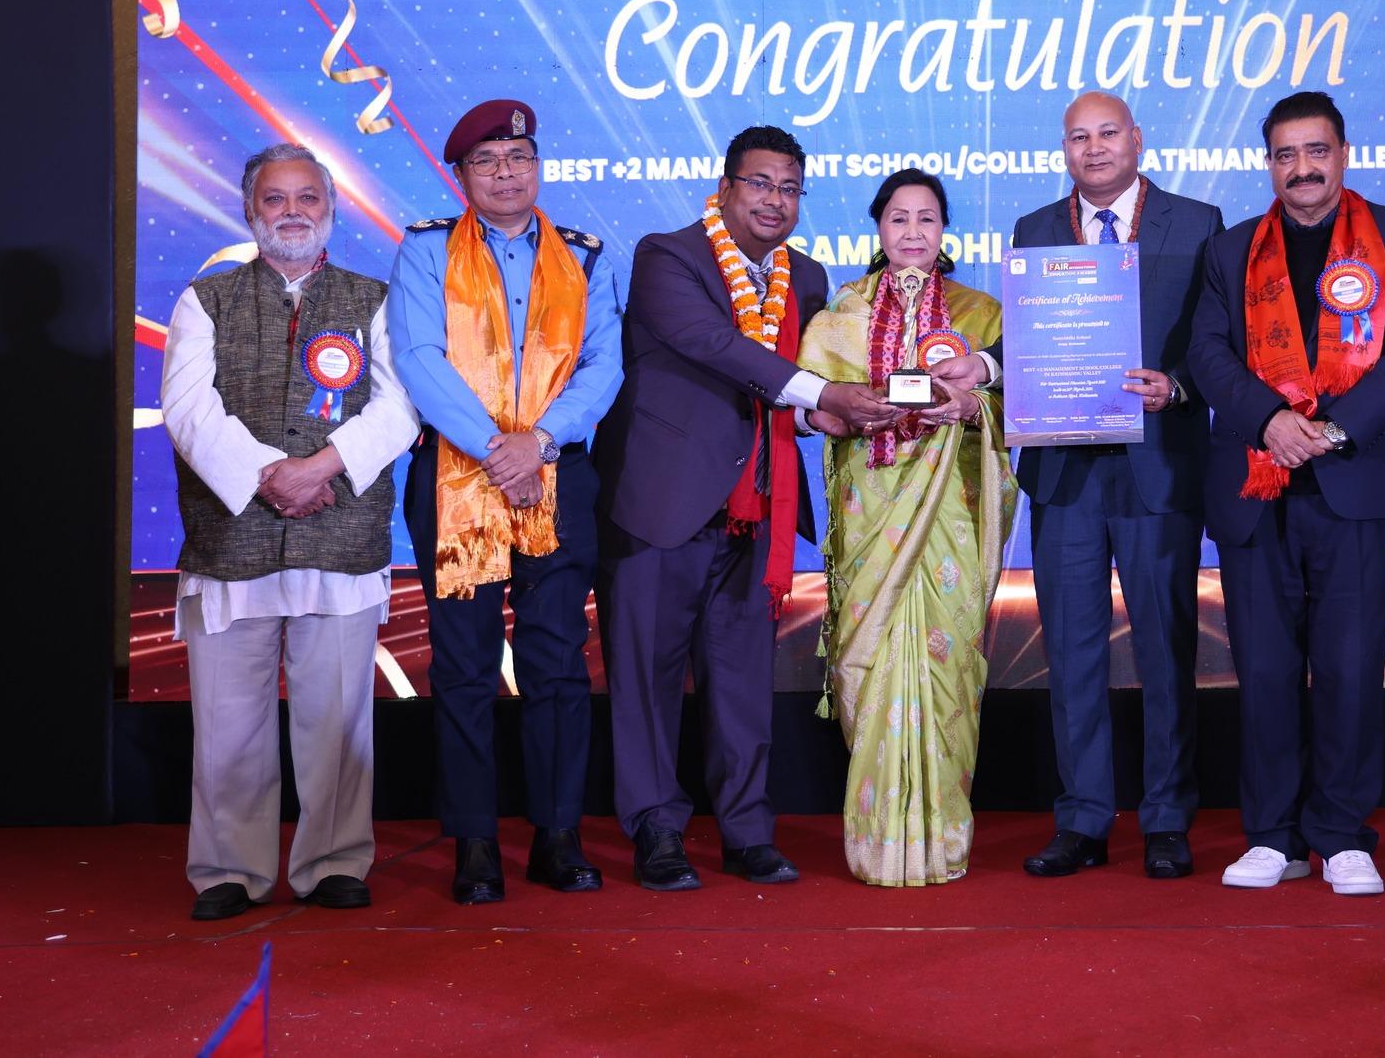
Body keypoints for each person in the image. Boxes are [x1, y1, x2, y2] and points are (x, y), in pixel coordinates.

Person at [595, 126, 897, 891]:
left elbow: (796, 391)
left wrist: (836, 410)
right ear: (726, 186)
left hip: (757, 509)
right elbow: (715, 345)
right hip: (662, 504)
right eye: (760, 183)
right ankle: (657, 830)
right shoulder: (668, 256)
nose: (775, 200)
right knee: (647, 678)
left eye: (790, 188)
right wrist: (822, 392)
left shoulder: (809, 277)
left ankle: (747, 831)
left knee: (741, 681)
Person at [161, 143, 419, 921]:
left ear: (331, 209)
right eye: (276, 198)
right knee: (227, 723)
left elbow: (401, 406)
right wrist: (270, 474)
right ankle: (227, 870)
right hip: (232, 541)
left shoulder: (375, 298)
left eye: (309, 197)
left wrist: (320, 469)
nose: (293, 211)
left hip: (339, 538)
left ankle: (333, 862)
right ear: (250, 210)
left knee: (336, 718)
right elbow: (188, 409)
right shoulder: (205, 299)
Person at [1188, 90, 1385, 894]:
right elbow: (1207, 354)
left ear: (1344, 154)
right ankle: (1274, 834)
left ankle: (1343, 833)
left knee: (1349, 664)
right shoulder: (1230, 249)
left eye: (1316, 150)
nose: (1302, 168)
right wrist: (1271, 422)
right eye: (1286, 154)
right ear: (1269, 164)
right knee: (1264, 667)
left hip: (1351, 481)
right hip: (1256, 484)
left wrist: (1329, 430)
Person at [389, 99, 624, 905]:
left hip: (558, 475)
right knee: (463, 666)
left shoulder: (585, 257)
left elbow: (603, 365)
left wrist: (540, 443)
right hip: (457, 476)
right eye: (486, 161)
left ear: (538, 167)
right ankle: (475, 841)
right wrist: (501, 449)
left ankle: (558, 834)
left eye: (519, 157)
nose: (505, 173)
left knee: (557, 660)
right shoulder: (425, 251)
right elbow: (419, 357)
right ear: (460, 175)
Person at [1002, 93, 1224, 880]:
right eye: (1078, 137)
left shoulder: (1197, 222)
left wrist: (1179, 384)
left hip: (1157, 463)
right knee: (1071, 653)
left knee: (1166, 648)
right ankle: (1083, 818)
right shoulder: (1034, 229)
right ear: (1063, 148)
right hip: (1065, 472)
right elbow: (1022, 340)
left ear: (1137, 139)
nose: (1093, 148)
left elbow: (1219, 340)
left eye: (1107, 133)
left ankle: (1166, 817)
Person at [797, 169, 1018, 886]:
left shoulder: (982, 313)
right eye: (899, 218)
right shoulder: (841, 313)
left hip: (949, 510)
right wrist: (830, 414)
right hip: (872, 508)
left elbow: (1023, 402)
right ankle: (879, 840)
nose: (914, 232)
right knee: (869, 662)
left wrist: (974, 407)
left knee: (946, 663)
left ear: (945, 230)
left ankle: (942, 837)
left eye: (927, 218)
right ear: (879, 227)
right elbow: (810, 403)